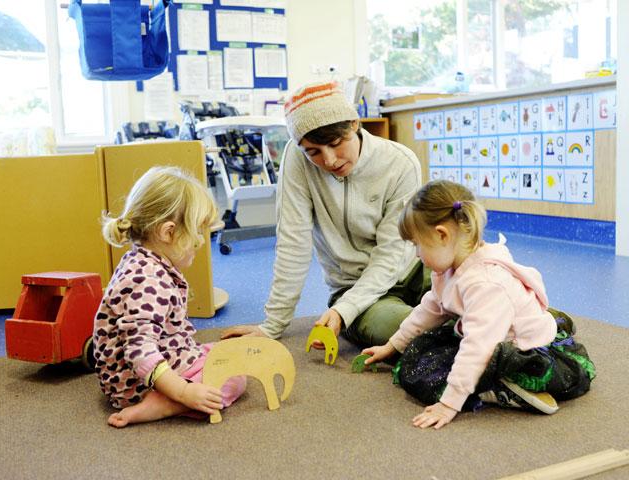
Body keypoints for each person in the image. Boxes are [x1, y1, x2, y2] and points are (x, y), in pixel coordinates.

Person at [363, 180, 595, 430]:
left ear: (442, 234)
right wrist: (393, 345)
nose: (417, 254)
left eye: (417, 244)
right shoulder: (448, 268)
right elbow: (430, 308)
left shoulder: (485, 283)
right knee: (423, 348)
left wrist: (449, 403)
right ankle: (491, 382)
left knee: (429, 377)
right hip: (488, 338)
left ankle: (505, 388)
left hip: (522, 352)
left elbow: (478, 347)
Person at [222, 80, 430, 348]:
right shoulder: (297, 160)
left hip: (414, 268)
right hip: (353, 290)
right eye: (314, 152)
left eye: (335, 143)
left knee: (478, 291)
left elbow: (392, 252)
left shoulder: (400, 162)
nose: (329, 160)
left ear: (354, 123)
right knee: (410, 330)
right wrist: (273, 325)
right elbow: (293, 243)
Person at [94, 166, 246, 428]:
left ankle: (174, 392)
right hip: (138, 382)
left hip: (155, 361)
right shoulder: (148, 279)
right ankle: (165, 404)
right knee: (235, 377)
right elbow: (139, 350)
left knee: (230, 355)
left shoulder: (142, 260)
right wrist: (183, 392)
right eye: (197, 232)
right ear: (168, 232)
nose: (201, 242)